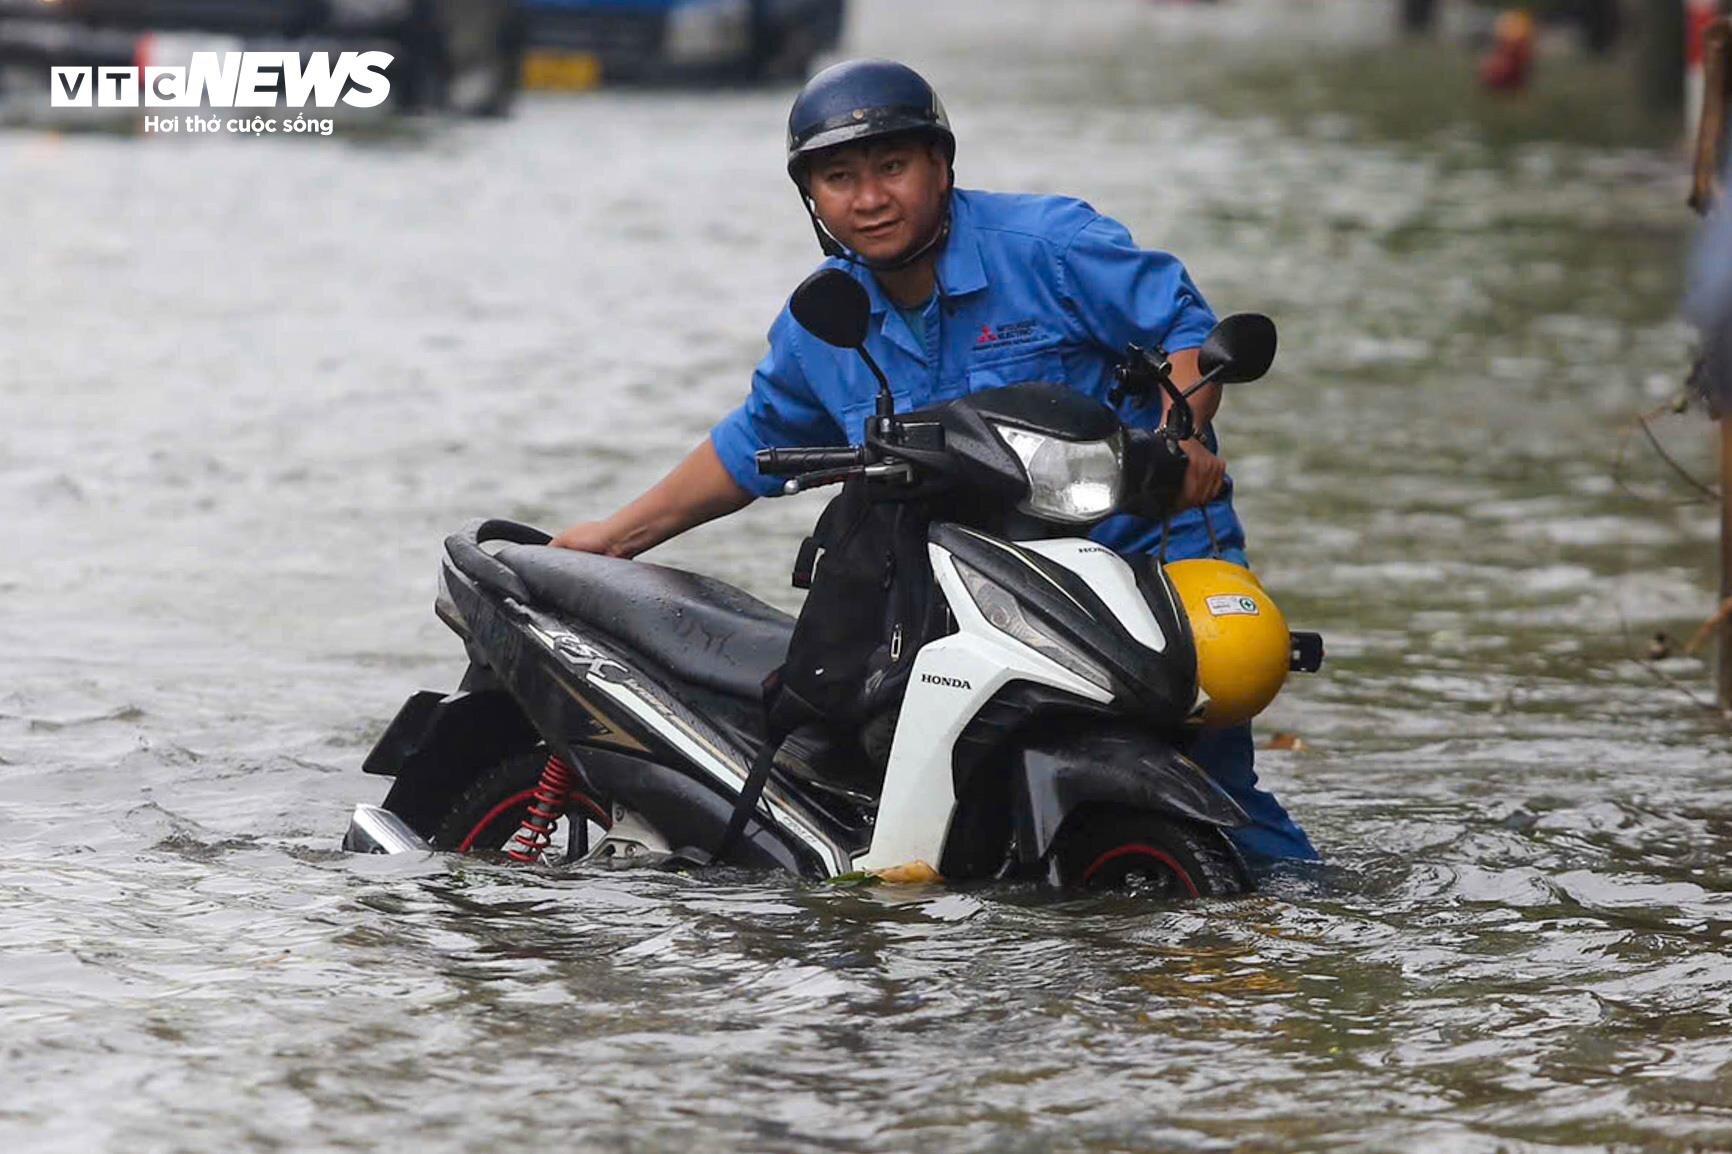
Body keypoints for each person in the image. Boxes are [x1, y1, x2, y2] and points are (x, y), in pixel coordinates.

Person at [551, 59, 1316, 866]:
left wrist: (1183, 432)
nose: (870, 198)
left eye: (892, 167)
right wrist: (617, 536)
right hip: (978, 603)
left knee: (1226, 804)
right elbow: (753, 445)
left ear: (941, 167)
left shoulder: (1052, 246)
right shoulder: (824, 320)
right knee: (950, 833)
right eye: (840, 177)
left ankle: (1285, 938)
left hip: (1147, 562)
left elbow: (1185, 338)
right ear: (812, 198)